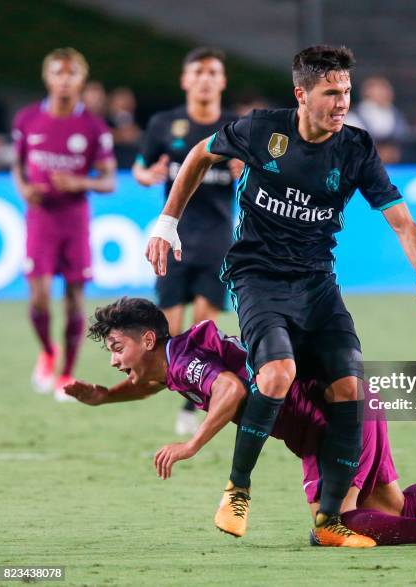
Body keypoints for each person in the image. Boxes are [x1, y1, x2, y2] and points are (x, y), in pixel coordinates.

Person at [145, 44, 416, 547]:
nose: (342, 102)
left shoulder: (356, 148)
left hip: (317, 281)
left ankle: (329, 522)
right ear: (302, 94)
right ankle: (238, 488)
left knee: (349, 386)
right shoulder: (263, 130)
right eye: (331, 93)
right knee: (277, 374)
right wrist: (167, 223)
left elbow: (401, 220)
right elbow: (200, 154)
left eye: (347, 91)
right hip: (257, 276)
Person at [65, 297, 416, 546]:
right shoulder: (176, 362)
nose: (115, 360)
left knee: (335, 523)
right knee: (392, 506)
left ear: (148, 339)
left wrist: (191, 445)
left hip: (328, 424)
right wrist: (104, 398)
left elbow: (231, 389)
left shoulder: (186, 364)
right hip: (351, 402)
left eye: (117, 347)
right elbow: (152, 383)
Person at [132, 47, 240, 436]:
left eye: (213, 72)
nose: (206, 78)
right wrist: (148, 175)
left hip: (216, 240)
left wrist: (245, 170)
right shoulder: (165, 124)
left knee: (203, 330)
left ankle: (192, 404)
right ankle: (190, 391)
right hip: (173, 237)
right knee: (169, 334)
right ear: (185, 80)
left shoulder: (236, 128)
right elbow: (141, 168)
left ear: (222, 81)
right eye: (199, 72)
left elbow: (263, 175)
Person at [11, 47, 116, 400]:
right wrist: (25, 188)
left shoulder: (92, 127)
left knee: (73, 298)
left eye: (72, 74)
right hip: (40, 219)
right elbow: (18, 164)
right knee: (39, 297)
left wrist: (80, 183)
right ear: (48, 78)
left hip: (74, 221)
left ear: (81, 80)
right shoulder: (27, 119)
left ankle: (66, 373)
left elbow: (108, 180)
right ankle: (48, 352)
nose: (64, 80)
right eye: (58, 73)